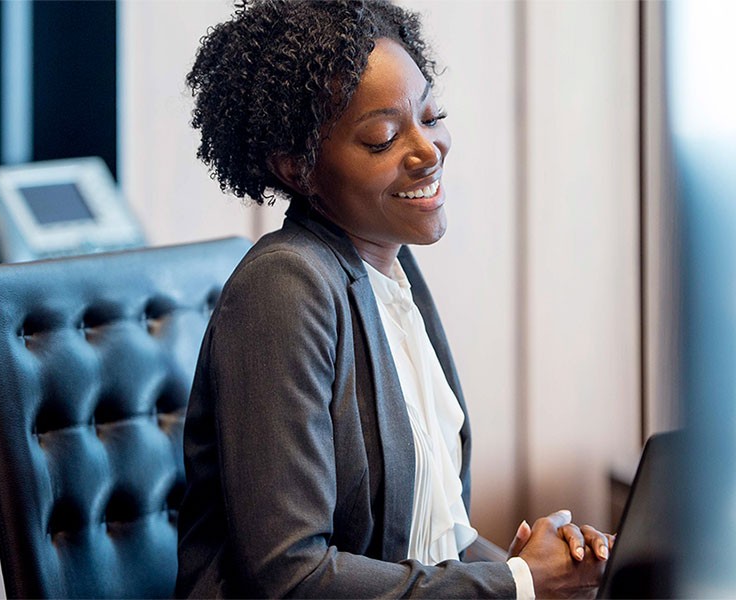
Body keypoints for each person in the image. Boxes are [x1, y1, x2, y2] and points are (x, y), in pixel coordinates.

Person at [176, 1, 613, 597]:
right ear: (296, 168)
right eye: (383, 138)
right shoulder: (283, 289)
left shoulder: (393, 273)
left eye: (431, 116)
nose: (427, 149)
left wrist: (536, 568)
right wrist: (515, 584)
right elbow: (291, 579)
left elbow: (428, 536)